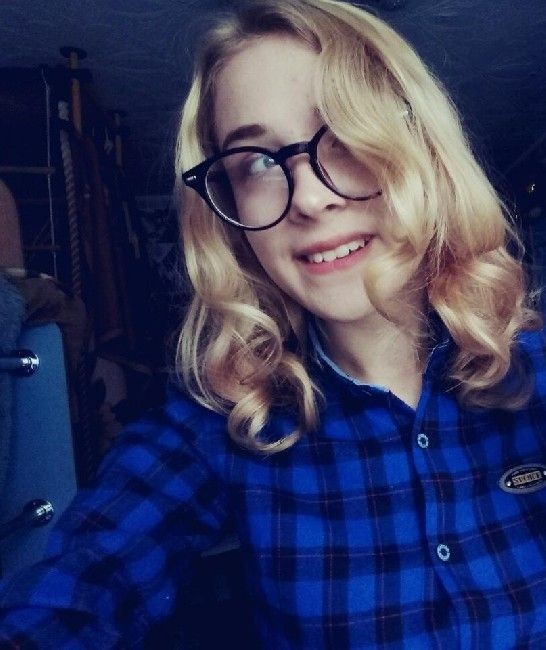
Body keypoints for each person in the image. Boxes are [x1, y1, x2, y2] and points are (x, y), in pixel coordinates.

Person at [1, 0, 545, 647]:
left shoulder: (534, 373)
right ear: (229, 213)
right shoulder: (218, 424)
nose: (310, 198)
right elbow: (81, 587)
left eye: (344, 132)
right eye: (257, 162)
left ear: (421, 151)